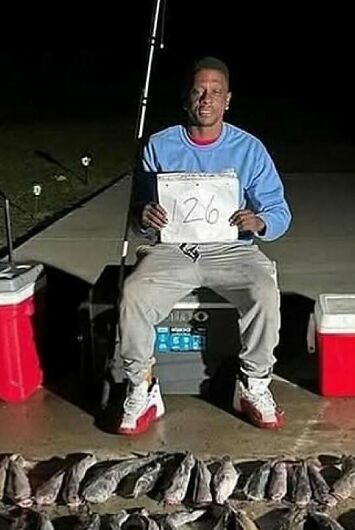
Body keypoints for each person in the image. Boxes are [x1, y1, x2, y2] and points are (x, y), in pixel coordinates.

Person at [116, 56, 291, 435]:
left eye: (215, 92)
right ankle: (141, 385)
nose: (206, 99)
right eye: (199, 91)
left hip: (231, 249)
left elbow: (279, 211)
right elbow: (137, 214)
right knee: (132, 293)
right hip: (172, 249)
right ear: (186, 98)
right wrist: (144, 216)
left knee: (263, 290)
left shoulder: (249, 149)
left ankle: (254, 384)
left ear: (228, 99)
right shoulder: (159, 145)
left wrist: (259, 221)